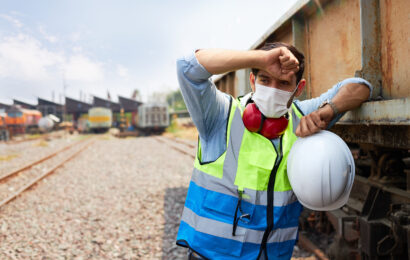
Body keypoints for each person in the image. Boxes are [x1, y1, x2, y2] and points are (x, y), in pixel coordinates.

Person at [175, 42, 372, 260]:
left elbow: (360, 86)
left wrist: (329, 110)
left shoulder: (303, 116)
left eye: (284, 83)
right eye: (265, 79)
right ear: (252, 80)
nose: (273, 90)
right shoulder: (220, 116)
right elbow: (187, 67)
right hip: (211, 255)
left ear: (299, 88)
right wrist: (260, 59)